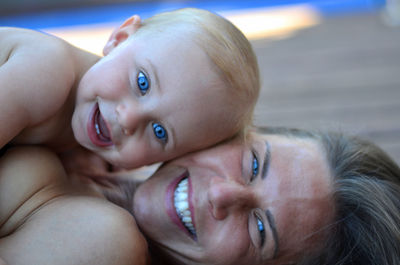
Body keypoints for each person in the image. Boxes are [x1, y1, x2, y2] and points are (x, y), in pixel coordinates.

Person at [1, 127, 399, 265]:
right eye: (254, 164)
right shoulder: (98, 115)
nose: (224, 193)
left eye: (260, 229)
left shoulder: (105, 245)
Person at [0, 7, 260, 170]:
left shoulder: (94, 149)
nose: (129, 118)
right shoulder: (45, 72)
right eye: (142, 83)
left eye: (159, 132)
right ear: (120, 38)